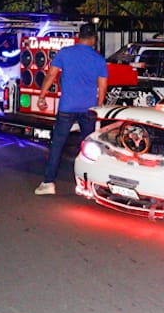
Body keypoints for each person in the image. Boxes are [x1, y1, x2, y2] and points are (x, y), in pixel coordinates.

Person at [34, 23, 108, 195]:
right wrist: (98, 107)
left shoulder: (65, 53)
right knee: (89, 146)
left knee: (57, 145)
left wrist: (42, 96)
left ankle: (49, 183)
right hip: (89, 109)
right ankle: (89, 184)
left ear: (78, 36)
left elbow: (51, 75)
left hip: (67, 107)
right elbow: (103, 86)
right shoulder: (99, 59)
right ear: (94, 39)